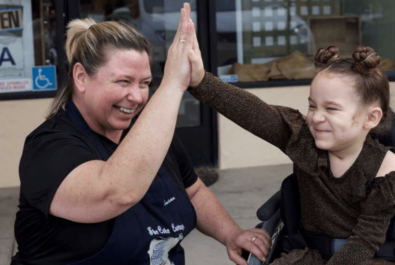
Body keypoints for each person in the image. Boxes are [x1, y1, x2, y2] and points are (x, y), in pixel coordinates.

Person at [11, 4, 270, 265]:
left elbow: (193, 192)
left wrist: (231, 233)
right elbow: (114, 193)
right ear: (80, 77)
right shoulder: (48, 148)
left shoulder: (150, 134)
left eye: (145, 83)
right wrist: (172, 84)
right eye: (123, 81)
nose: (136, 97)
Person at [186, 28, 395, 264]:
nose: (316, 118)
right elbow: (253, 113)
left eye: (332, 109)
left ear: (371, 118)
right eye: (312, 106)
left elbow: (365, 241)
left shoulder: (386, 170)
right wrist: (201, 81)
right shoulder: (304, 140)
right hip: (308, 254)